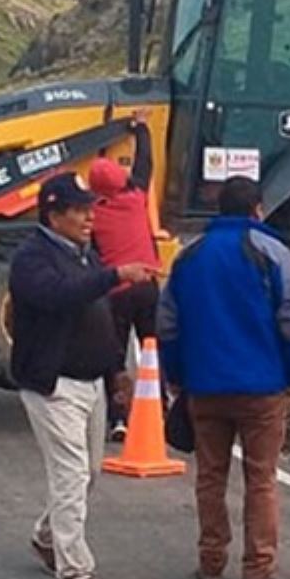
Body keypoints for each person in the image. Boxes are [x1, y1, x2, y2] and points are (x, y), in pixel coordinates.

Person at [157, 175, 290, 579]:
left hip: (205, 385)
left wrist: (176, 375)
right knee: (261, 477)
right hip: (261, 386)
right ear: (257, 208)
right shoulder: (273, 253)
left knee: (210, 474)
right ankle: (259, 566)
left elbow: (168, 323)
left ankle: (211, 560)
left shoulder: (190, 257)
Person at [10, 173, 156, 579]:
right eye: (79, 210)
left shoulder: (85, 256)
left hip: (91, 380)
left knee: (90, 472)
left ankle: (46, 536)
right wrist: (114, 275)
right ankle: (75, 572)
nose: (90, 217)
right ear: (54, 214)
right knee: (72, 474)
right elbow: (57, 297)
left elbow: (99, 317)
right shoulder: (31, 259)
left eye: (91, 208)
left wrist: (116, 371)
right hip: (53, 383)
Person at [89, 109, 162, 441]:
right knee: (152, 348)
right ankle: (158, 408)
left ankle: (118, 417)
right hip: (146, 284)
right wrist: (141, 129)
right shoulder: (135, 197)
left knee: (114, 355)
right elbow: (146, 162)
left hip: (115, 291)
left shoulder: (93, 214)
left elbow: (91, 254)